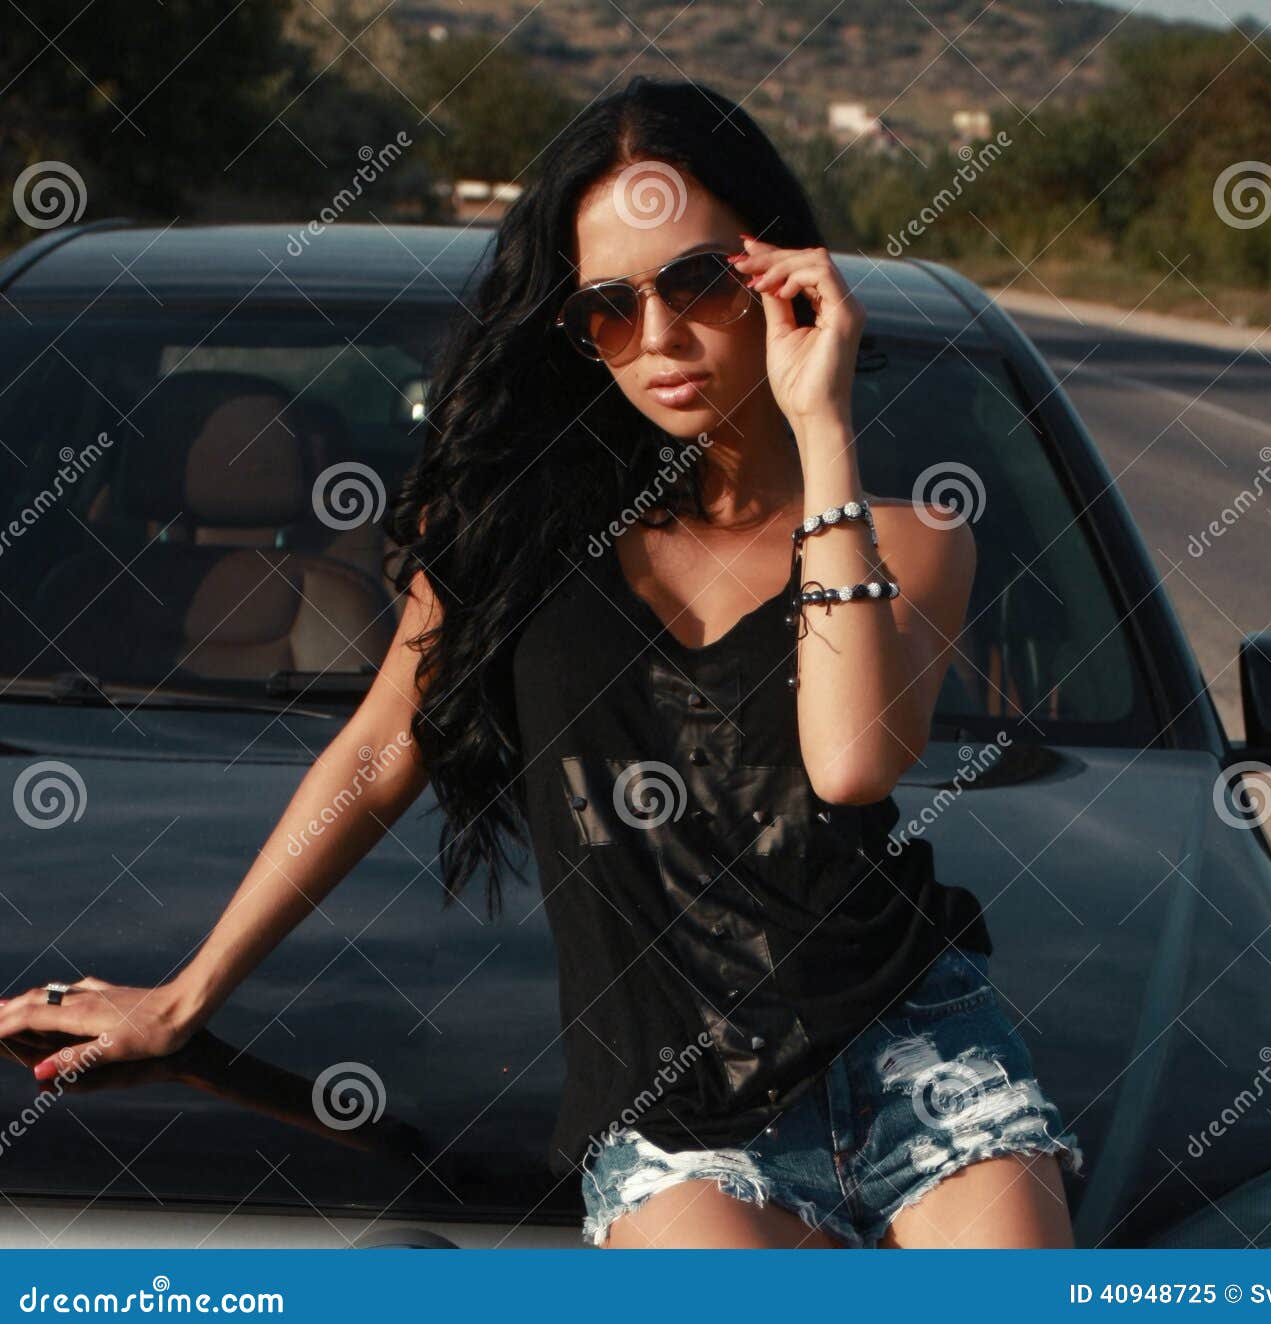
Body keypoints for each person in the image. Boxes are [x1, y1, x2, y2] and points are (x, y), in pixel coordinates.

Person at [0, 75, 1085, 1248]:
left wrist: (819, 428)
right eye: (609, 309)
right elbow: (374, 756)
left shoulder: (915, 539)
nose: (658, 338)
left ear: (779, 274)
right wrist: (185, 995)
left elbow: (849, 763)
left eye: (698, 280)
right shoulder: (514, 541)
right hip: (682, 1112)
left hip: (921, 1055)